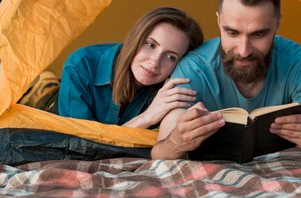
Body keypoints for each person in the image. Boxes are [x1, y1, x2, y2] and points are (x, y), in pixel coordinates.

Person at [151, 0, 301, 159]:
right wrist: (176, 142)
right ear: (219, 22)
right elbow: (159, 153)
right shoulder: (193, 68)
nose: (244, 51)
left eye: (258, 34)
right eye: (232, 33)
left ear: (277, 24)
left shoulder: (298, 61)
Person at [57, 7, 204, 128]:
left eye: (170, 57)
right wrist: (146, 118)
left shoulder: (171, 91)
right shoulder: (81, 65)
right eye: (150, 45)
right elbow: (79, 146)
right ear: (136, 38)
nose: (154, 62)